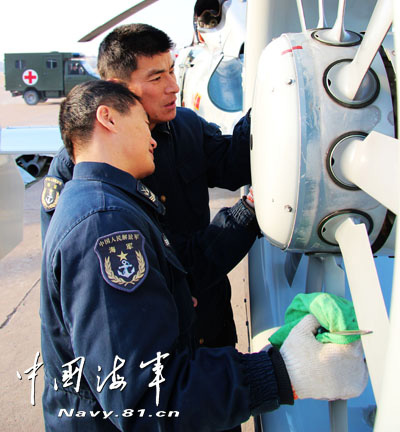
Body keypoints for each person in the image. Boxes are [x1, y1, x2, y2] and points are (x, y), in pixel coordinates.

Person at [40, 80, 368, 431]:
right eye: (142, 125)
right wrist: (282, 372)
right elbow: (149, 399)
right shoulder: (104, 225)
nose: (153, 139)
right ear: (108, 119)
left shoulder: (104, 203)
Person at [41, 23, 251, 353]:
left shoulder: (186, 126)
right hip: (151, 349)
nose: (173, 87)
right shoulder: (77, 173)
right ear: (117, 88)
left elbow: (236, 164)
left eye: (172, 71)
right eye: (156, 78)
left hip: (210, 331)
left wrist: (271, 103)